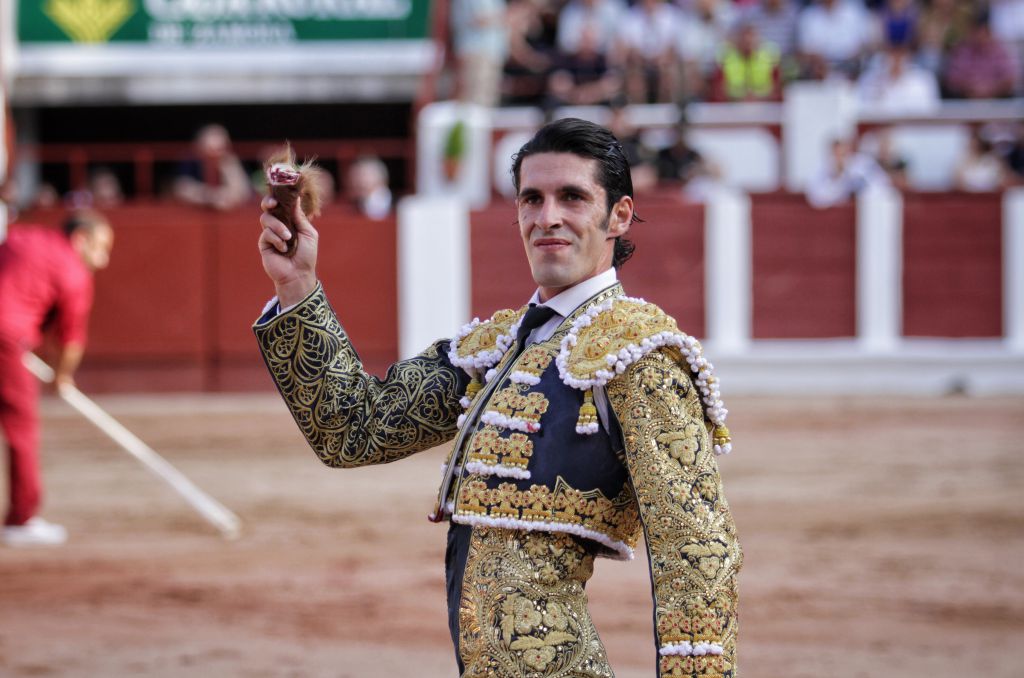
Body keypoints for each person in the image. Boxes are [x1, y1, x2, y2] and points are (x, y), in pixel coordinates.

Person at [254, 118, 741, 676]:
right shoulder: (494, 348)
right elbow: (354, 430)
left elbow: (698, 553)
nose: (547, 217)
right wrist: (298, 287)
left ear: (620, 216)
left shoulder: (638, 356)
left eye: (572, 197)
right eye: (531, 198)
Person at [0, 210, 114, 547]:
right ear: (80, 239)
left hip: (10, 337)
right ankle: (22, 518)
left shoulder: (23, 236)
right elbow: (71, 342)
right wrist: (62, 379)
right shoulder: (73, 271)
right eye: (100, 247)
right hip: (7, 341)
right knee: (22, 429)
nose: (103, 260)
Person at [173, 123, 252, 211]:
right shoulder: (191, 162)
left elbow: (242, 191)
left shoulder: (231, 161)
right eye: (210, 151)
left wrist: (224, 195)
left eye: (220, 150)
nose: (215, 156)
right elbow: (181, 189)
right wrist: (210, 196)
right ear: (199, 150)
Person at [806, 137, 891, 208]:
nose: (840, 158)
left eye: (843, 153)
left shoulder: (862, 163)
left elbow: (881, 184)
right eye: (837, 154)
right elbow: (818, 198)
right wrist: (839, 176)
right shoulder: (823, 171)